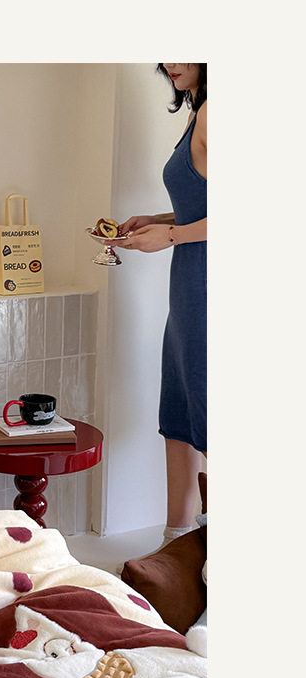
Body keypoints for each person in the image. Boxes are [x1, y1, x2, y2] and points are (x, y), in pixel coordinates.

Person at [114, 63, 207, 546]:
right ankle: (176, 542)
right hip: (191, 284)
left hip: (210, 284)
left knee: (208, 408)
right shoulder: (198, 112)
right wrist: (158, 219)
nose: (170, 62)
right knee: (181, 411)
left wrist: (169, 236)